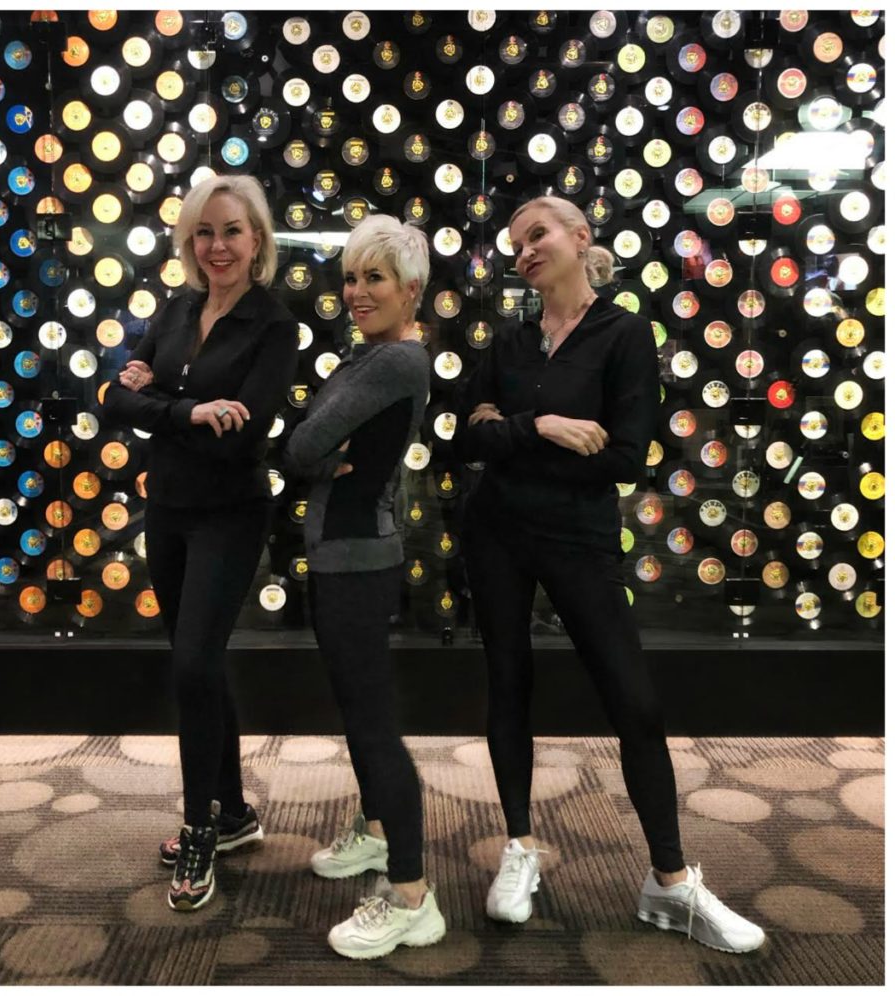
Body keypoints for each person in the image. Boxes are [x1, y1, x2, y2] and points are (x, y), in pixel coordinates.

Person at [454, 195, 765, 954]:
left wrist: (509, 433)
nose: (524, 251)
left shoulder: (622, 333)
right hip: (496, 534)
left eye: (538, 235)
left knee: (634, 702)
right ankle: (521, 847)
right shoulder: (511, 340)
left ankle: (668, 881)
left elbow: (627, 457)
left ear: (580, 238)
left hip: (579, 541)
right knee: (509, 687)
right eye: (515, 243)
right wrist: (550, 427)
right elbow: (466, 433)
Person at [102, 174, 299, 912]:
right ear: (190, 243)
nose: (218, 246)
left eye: (232, 232)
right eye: (204, 233)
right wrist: (186, 411)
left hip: (230, 512)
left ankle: (198, 828)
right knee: (200, 662)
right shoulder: (177, 308)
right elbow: (115, 399)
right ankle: (237, 812)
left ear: (258, 241)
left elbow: (244, 430)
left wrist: (160, 404)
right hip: (170, 507)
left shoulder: (275, 325)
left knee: (191, 665)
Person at [283, 215, 446, 959]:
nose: (355, 291)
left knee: (375, 723)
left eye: (374, 278)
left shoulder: (391, 363)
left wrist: (314, 452)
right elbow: (315, 436)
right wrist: (318, 446)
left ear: (411, 289)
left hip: (357, 557)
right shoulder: (370, 354)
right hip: (343, 551)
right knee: (357, 711)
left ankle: (413, 895)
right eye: (350, 277)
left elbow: (302, 442)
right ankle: (378, 834)